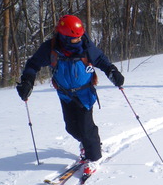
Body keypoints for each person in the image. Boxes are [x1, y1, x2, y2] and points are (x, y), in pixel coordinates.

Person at [15, 14, 124, 175]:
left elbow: (101, 59)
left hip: (85, 94)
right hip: (65, 94)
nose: (78, 40)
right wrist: (27, 81)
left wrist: (112, 71)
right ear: (64, 37)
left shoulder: (86, 46)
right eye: (74, 39)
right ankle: (87, 144)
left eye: (80, 36)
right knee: (71, 127)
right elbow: (33, 64)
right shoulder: (51, 48)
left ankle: (94, 158)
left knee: (87, 129)